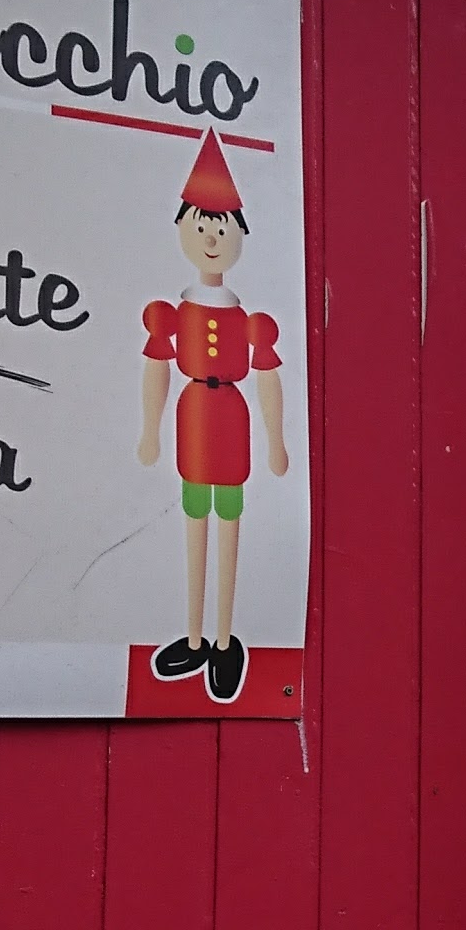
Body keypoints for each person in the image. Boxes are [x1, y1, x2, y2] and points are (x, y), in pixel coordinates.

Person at [139, 130, 290, 704]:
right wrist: (150, 431)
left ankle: (226, 640)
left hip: (230, 421)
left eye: (222, 229)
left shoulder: (248, 320)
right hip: (192, 419)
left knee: (229, 524)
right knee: (193, 521)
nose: (210, 238)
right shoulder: (174, 312)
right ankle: (195, 637)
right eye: (202, 226)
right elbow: (157, 365)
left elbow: (268, 376)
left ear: (239, 237)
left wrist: (276, 441)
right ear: (183, 227)